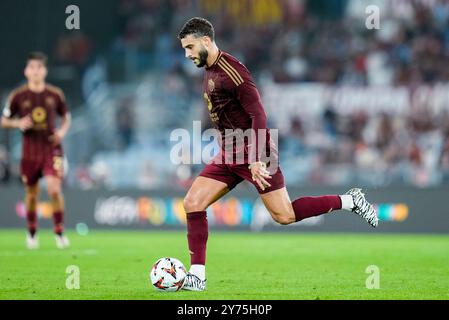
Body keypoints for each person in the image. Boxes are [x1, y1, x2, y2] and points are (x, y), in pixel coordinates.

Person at [178, 17, 378, 291]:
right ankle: (197, 276)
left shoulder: (233, 71)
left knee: (284, 216)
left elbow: (258, 113)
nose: (187, 55)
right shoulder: (209, 68)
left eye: (189, 48)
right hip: (228, 152)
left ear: (205, 41)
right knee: (192, 202)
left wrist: (257, 159)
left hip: (254, 151)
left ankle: (350, 200)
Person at [1, 52, 71, 249]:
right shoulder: (18, 96)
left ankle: (59, 232)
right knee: (31, 194)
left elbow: (66, 117)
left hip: (52, 148)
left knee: (54, 189)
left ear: (45, 71)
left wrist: (63, 131)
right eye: (32, 67)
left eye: (39, 67)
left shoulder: (55, 94)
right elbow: (4, 120)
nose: (35, 71)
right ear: (26, 71)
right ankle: (32, 232)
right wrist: (18, 123)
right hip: (30, 152)